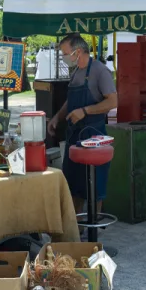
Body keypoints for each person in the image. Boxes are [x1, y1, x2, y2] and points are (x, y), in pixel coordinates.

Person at [47, 34, 118, 231]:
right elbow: (70, 102)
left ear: (78, 52)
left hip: (94, 135)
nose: (64, 57)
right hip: (74, 137)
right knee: (74, 185)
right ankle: (76, 230)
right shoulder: (77, 71)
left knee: (94, 186)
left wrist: (85, 111)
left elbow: (113, 102)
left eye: (65, 53)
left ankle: (93, 230)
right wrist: (57, 118)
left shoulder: (100, 71)